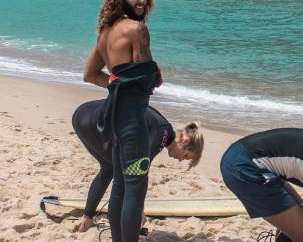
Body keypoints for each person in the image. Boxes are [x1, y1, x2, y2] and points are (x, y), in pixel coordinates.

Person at [83, 0, 163, 242]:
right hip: (132, 122)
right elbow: (147, 77)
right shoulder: (138, 30)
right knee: (135, 189)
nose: (141, 1)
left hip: (113, 119)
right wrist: (151, 77)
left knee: (120, 185)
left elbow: (90, 74)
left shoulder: (105, 33)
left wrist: (116, 84)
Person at [71, 100, 204, 234]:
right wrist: (139, 210)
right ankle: (108, 225)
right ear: (185, 141)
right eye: (186, 156)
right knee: (119, 172)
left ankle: (87, 217)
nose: (181, 160)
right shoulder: (161, 135)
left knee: (109, 168)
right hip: (91, 122)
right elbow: (139, 175)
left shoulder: (164, 128)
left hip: (82, 114)